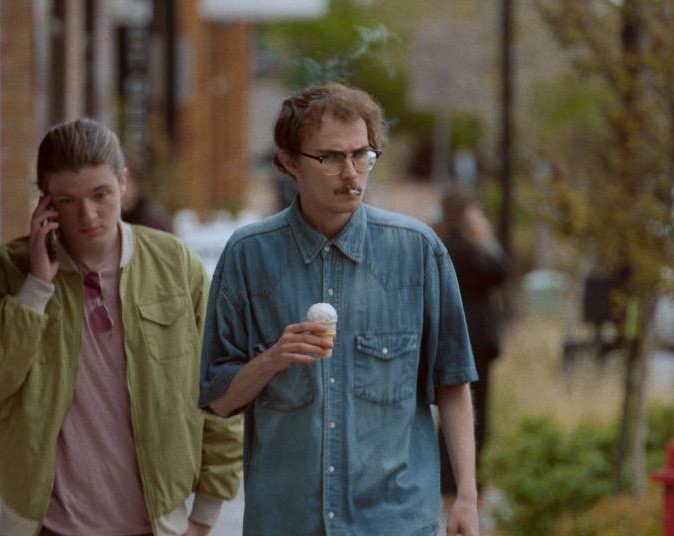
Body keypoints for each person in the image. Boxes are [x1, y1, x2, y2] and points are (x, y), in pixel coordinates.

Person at [199, 82, 481, 536]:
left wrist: (466, 495)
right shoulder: (247, 256)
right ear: (290, 162)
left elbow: (452, 379)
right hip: (286, 521)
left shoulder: (418, 251)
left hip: (394, 521)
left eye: (362, 155)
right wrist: (272, 359)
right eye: (330, 157)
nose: (351, 172)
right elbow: (218, 398)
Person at [0, 118, 242, 536]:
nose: (87, 215)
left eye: (100, 195)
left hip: (156, 526)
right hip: (44, 527)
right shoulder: (2, 273)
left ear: (124, 183)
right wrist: (35, 288)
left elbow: (222, 388)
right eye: (67, 201)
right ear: (45, 203)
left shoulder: (176, 265)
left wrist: (204, 515)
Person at [434, 187, 509, 497]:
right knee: (471, 412)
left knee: (458, 406)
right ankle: (463, 482)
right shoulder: (463, 249)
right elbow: (500, 271)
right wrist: (486, 238)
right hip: (472, 341)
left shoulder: (444, 246)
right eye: (476, 212)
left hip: (459, 338)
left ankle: (454, 481)